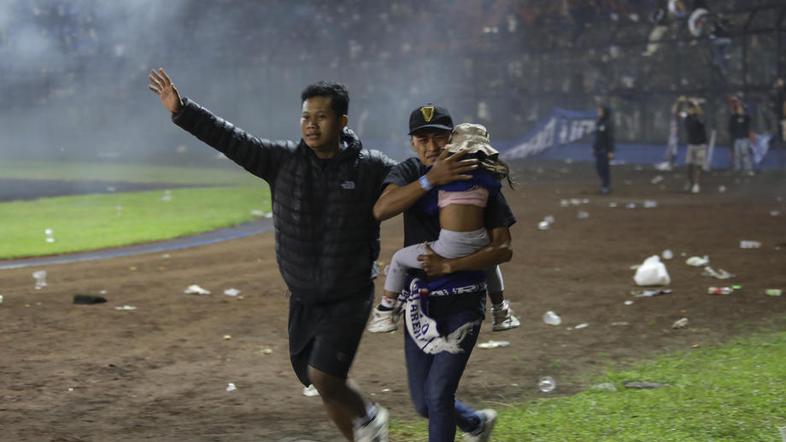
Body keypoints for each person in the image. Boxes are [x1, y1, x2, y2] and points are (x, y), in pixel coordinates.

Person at [147, 68, 393, 442]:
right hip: (304, 297)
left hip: (349, 293)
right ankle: (363, 436)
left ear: (342, 121)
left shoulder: (372, 167)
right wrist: (183, 110)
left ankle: (372, 417)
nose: (310, 125)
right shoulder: (281, 161)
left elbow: (411, 184)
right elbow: (232, 140)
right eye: (305, 117)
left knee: (324, 376)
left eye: (321, 117)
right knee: (322, 381)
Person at [373, 104, 517, 442]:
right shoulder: (410, 171)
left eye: (438, 138)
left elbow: (503, 248)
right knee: (424, 402)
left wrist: (450, 265)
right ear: (412, 143)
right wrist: (430, 180)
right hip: (418, 305)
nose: (431, 147)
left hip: (463, 302)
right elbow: (381, 209)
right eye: (422, 139)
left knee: (438, 396)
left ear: (451, 139)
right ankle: (476, 423)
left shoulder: (474, 172)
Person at [681, 98, 708, 193]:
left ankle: (697, 185)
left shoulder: (699, 117)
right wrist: (690, 104)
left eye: (691, 108)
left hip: (701, 145)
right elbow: (681, 113)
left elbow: (702, 119)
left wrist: (696, 105)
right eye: (690, 108)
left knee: (699, 166)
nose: (690, 109)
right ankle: (689, 182)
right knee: (688, 165)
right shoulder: (687, 118)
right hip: (691, 144)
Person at [727, 98, 753, 174]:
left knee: (745, 154)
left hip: (744, 138)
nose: (739, 109)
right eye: (738, 108)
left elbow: (749, 119)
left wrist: (742, 111)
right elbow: (731, 127)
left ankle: (748, 169)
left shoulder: (745, 116)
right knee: (737, 155)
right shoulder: (734, 117)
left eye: (740, 108)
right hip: (737, 139)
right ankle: (737, 169)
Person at [592, 105, 614, 194]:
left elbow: (610, 138)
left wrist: (610, 151)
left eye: (600, 111)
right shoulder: (598, 123)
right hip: (598, 150)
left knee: (605, 169)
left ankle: (606, 186)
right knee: (599, 168)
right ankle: (604, 184)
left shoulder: (608, 124)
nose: (598, 113)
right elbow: (597, 138)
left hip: (605, 150)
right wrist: (594, 148)